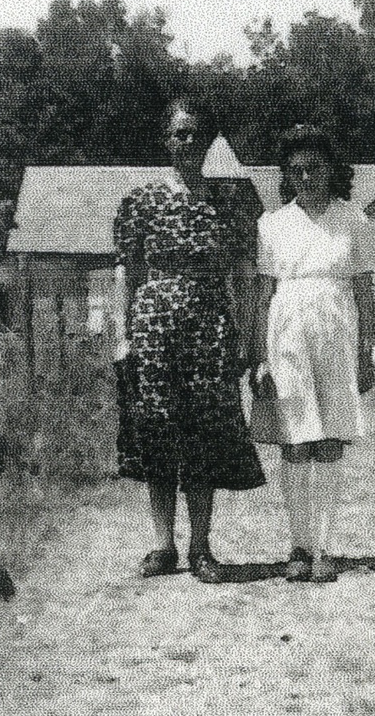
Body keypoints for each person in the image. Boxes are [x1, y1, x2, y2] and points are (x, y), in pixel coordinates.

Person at [113, 99, 265, 582]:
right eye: (178, 134)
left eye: (196, 134)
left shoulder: (231, 200)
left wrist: (247, 337)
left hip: (209, 331)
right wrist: (122, 336)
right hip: (152, 330)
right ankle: (163, 547)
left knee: (203, 437)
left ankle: (201, 548)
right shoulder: (141, 200)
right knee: (157, 433)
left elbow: (244, 274)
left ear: (207, 141)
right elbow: (127, 271)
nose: (187, 143)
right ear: (166, 139)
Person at [251, 125, 375, 583]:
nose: (305, 178)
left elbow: (365, 293)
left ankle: (324, 546)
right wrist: (259, 357)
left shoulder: (355, 221)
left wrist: (366, 354)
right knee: (295, 440)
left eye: (314, 169)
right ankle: (298, 545)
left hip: (336, 336)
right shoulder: (271, 224)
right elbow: (264, 296)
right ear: (287, 175)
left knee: (329, 440)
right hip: (287, 337)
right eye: (296, 171)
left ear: (331, 170)